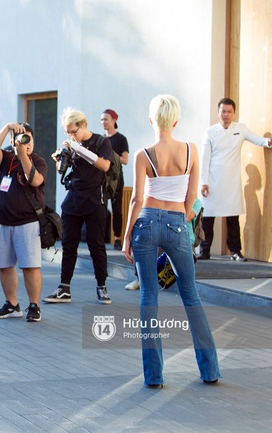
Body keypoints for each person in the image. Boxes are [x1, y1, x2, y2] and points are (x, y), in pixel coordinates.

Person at [122, 94, 220, 387]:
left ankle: (154, 376)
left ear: (151, 120)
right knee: (190, 295)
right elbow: (192, 199)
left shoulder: (143, 154)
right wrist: (179, 218)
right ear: (175, 121)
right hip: (178, 223)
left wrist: (127, 237)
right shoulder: (191, 150)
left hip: (147, 223)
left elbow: (137, 199)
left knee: (148, 297)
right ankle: (210, 371)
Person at [44, 109, 112, 305]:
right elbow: (62, 171)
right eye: (67, 133)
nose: (71, 136)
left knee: (96, 245)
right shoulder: (72, 145)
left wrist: (79, 148)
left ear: (83, 125)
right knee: (68, 244)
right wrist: (61, 159)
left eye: (73, 131)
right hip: (74, 199)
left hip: (95, 201)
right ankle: (64, 288)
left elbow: (105, 165)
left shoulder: (101, 142)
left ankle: (102, 287)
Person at [198, 97, 272, 261]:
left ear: (234, 113)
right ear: (218, 112)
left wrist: (268, 142)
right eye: (223, 111)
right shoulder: (210, 131)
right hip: (212, 181)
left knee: (233, 217)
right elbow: (204, 158)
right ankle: (204, 250)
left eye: (229, 111)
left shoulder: (241, 128)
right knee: (208, 218)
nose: (226, 115)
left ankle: (235, 251)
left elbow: (257, 139)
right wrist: (203, 182)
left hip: (231, 182)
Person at [0, 122, 46, 322]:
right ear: (12, 141)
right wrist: (6, 128)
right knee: (4, 265)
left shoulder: (39, 161)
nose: (25, 143)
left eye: (28, 139)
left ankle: (34, 306)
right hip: (3, 221)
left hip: (27, 222)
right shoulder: (6, 159)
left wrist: (23, 155)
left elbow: (35, 180)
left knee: (30, 266)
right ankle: (12, 304)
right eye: (21, 139)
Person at [101, 109, 129, 250]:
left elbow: (125, 160)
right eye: (102, 120)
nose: (103, 122)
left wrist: (111, 154)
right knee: (101, 208)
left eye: (106, 119)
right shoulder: (101, 139)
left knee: (117, 209)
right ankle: (102, 236)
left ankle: (117, 238)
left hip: (116, 178)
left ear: (114, 120)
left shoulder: (121, 139)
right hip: (103, 179)